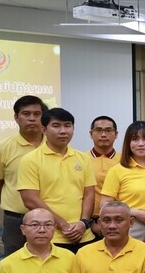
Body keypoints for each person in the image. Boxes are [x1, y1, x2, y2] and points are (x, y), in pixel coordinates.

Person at [17, 107, 96, 252]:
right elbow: (30, 199)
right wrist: (63, 225)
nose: (63, 131)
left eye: (67, 126)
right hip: (50, 236)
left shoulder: (83, 158)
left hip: (83, 235)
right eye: (56, 126)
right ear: (44, 130)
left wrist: (83, 223)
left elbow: (89, 193)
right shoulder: (30, 160)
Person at [0, 95, 47, 255]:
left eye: (37, 114)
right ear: (16, 117)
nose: (32, 118)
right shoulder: (1, 149)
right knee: (14, 262)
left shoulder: (54, 146)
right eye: (26, 114)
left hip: (50, 218)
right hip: (16, 219)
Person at [101, 121, 145, 246]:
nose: (141, 144)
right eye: (135, 139)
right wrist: (134, 212)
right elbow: (104, 204)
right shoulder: (117, 170)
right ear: (128, 143)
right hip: (131, 223)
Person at [88, 115, 120, 219]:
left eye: (108, 130)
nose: (103, 134)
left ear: (116, 134)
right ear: (91, 134)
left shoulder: (125, 160)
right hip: (88, 220)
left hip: (119, 217)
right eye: (98, 130)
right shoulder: (81, 160)